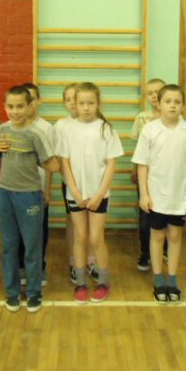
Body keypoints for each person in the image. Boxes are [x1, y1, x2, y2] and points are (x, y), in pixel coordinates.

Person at [132, 84, 186, 304]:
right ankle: (158, 280)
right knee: (157, 237)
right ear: (159, 104)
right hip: (157, 196)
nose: (172, 106)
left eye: (177, 102)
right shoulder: (150, 130)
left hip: (179, 197)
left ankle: (172, 280)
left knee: (174, 237)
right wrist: (144, 194)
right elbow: (142, 165)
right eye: (168, 101)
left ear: (183, 105)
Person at [0, 85, 59, 313]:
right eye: (10, 106)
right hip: (4, 193)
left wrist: (42, 160)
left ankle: (33, 292)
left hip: (29, 194)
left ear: (30, 106)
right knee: (8, 245)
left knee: (32, 247)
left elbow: (53, 164)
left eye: (20, 106)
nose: (15, 111)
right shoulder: (2, 129)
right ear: (4, 107)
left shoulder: (36, 133)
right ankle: (11, 292)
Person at [58, 82, 124, 304]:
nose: (86, 107)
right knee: (80, 237)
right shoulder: (68, 129)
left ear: (98, 103)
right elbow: (65, 163)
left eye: (90, 103)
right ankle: (81, 283)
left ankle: (104, 282)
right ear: (75, 104)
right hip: (76, 195)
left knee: (96, 238)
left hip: (99, 195)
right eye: (82, 103)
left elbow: (111, 165)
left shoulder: (106, 129)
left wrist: (99, 194)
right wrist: (75, 192)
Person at [54, 83, 100, 285]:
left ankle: (91, 260)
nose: (72, 103)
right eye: (68, 99)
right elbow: (60, 157)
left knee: (92, 225)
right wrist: (71, 183)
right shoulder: (61, 125)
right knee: (73, 224)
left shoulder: (96, 125)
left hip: (92, 184)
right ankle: (74, 261)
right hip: (71, 185)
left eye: (75, 98)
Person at [18, 83, 57, 286]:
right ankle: (21, 268)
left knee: (39, 231)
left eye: (32, 99)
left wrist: (47, 190)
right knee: (19, 232)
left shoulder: (46, 128)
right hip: (18, 190)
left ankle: (39, 268)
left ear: (38, 101)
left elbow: (50, 162)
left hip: (38, 189)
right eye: (26, 100)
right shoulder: (12, 127)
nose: (30, 103)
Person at [130, 78, 166, 272]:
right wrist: (134, 168)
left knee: (166, 213)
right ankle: (145, 252)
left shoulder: (173, 116)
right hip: (146, 174)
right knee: (146, 215)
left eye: (157, 92)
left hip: (166, 175)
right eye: (150, 93)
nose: (153, 96)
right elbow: (138, 148)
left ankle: (164, 249)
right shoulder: (142, 118)